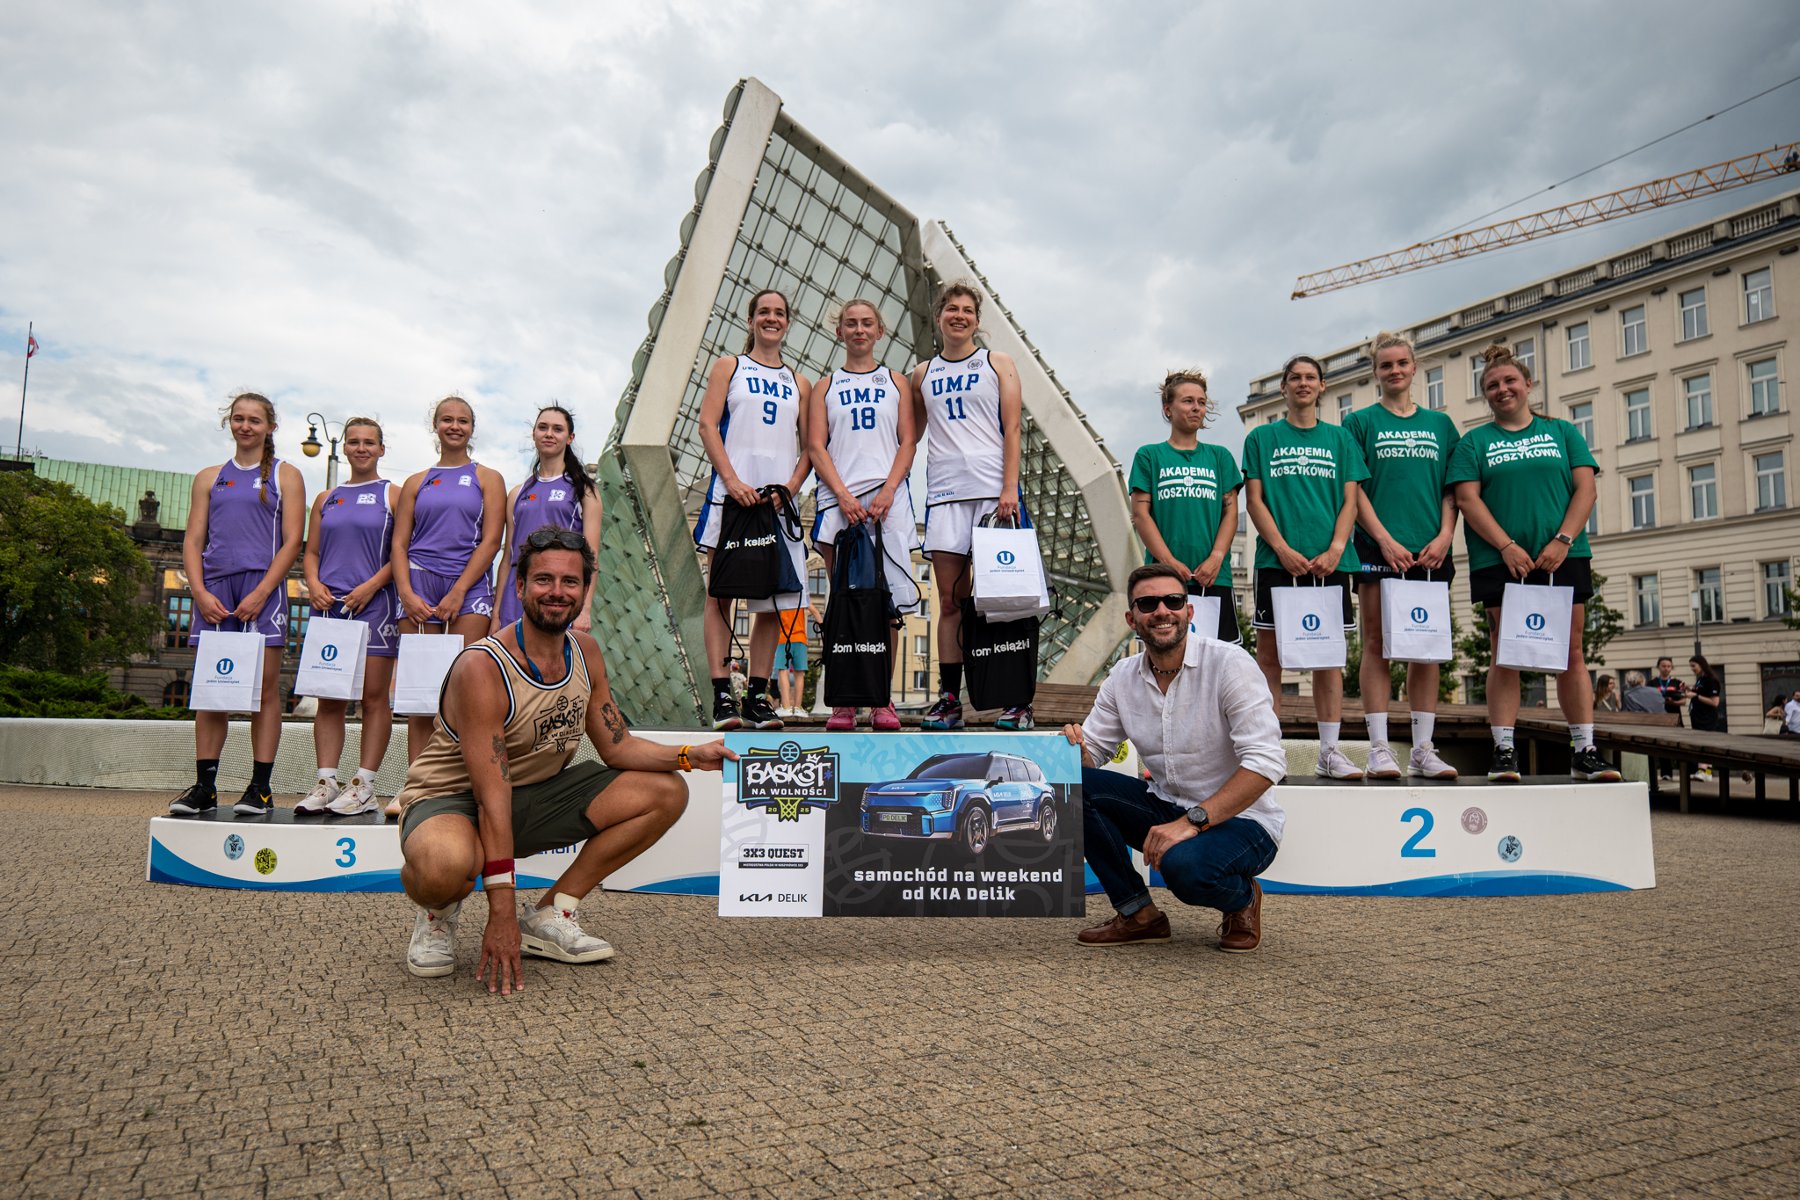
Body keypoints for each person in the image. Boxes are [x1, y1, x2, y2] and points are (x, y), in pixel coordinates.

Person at [397, 528, 734, 991]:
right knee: (443, 868)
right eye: (544, 580)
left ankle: (553, 911)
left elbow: (617, 746)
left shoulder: (586, 651)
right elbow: (490, 796)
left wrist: (688, 755)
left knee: (665, 791)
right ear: (519, 587)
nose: (557, 592)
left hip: (530, 795)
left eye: (570, 582)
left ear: (583, 590)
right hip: (451, 801)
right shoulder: (482, 666)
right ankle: (438, 912)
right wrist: (500, 915)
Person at [1062, 565, 1287, 951]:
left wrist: (1191, 823)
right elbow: (1093, 755)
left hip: (1245, 822)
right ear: (1132, 619)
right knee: (1075, 788)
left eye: (1173, 600)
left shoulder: (1230, 664)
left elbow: (1266, 764)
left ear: (1189, 611)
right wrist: (1076, 750)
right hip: (1167, 806)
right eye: (1148, 603)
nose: (1162, 610)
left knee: (1185, 869)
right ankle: (1138, 915)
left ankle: (1243, 898)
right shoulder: (1122, 677)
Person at [1447, 344, 1621, 783]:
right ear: (1484, 395)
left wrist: (1563, 540)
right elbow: (1467, 499)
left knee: (1571, 653)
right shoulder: (1474, 443)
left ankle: (1584, 750)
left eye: (1509, 381)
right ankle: (1504, 751)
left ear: (1527, 384)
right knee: (1506, 653)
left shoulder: (1563, 432)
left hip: (1564, 556)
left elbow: (1586, 491)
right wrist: (1505, 545)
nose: (1501, 389)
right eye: (1492, 385)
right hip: (1500, 561)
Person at [169, 393, 306, 817]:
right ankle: (205, 787)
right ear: (229, 423)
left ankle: (259, 789)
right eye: (238, 419)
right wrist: (199, 591)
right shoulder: (210, 476)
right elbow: (193, 540)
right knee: (211, 691)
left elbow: (291, 542)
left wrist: (263, 592)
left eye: (255, 420)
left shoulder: (287, 475)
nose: (245, 426)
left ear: (270, 427)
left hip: (261, 590)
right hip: (216, 592)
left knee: (265, 693)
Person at [1241, 354, 1369, 779]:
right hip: (1277, 562)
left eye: (1310, 377)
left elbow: (1351, 500)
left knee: (1328, 658)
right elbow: (1254, 500)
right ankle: (1268, 753)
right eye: (1294, 377)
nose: (1302, 383)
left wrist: (1336, 548)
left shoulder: (1341, 439)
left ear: (1322, 386)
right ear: (1284, 388)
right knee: (1270, 658)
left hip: (1330, 563)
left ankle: (1330, 751)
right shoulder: (1261, 438)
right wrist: (1280, 548)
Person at [910, 282, 1031, 731]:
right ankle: (948, 700)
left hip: (993, 496)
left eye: (967, 310)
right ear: (939, 317)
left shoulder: (997, 363)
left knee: (1006, 601)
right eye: (951, 309)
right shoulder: (921, 374)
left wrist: (1009, 490)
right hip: (944, 497)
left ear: (977, 320)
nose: (959, 316)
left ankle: (1016, 701)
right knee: (950, 602)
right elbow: (910, 435)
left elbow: (1013, 428)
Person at [1344, 333, 1461, 780]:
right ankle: (1378, 748)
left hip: (1430, 550)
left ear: (1415, 368)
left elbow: (1453, 490)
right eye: (1385, 365)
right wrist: (1384, 539)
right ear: (1375, 373)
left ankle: (1423, 749)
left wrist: (1446, 534)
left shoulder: (1441, 426)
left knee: (1425, 650)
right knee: (1376, 644)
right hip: (1379, 549)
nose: (1394, 371)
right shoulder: (1360, 423)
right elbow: (1354, 489)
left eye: (1401, 364)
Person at [695, 288, 812, 732]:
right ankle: (723, 694)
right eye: (763, 311)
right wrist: (732, 480)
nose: (771, 318)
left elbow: (812, 446)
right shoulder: (730, 366)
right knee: (720, 593)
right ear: (751, 320)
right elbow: (707, 425)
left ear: (787, 322)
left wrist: (791, 487)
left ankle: (758, 696)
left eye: (779, 313)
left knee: (772, 602)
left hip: (776, 504)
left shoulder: (798, 382)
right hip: (732, 498)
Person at [807, 297, 922, 731]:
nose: (859, 330)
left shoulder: (896, 381)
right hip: (841, 503)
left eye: (867, 323)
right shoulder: (825, 385)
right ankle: (843, 701)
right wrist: (843, 497)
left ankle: (881, 699)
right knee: (844, 605)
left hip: (886, 502)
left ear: (879, 332)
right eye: (851, 324)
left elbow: (908, 441)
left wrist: (889, 490)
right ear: (840, 332)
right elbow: (817, 445)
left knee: (886, 605)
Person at [392, 396, 507, 771]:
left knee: (466, 688)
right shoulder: (416, 481)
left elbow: (492, 541)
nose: (454, 426)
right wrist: (406, 593)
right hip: (420, 583)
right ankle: (416, 782)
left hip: (468, 586)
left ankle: (459, 778)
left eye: (462, 421)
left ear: (472, 428)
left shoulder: (487, 478)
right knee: (419, 693)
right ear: (436, 426)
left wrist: (459, 590)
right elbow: (399, 543)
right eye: (446, 420)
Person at [296, 417, 399, 816]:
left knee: (374, 699)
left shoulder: (394, 494)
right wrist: (312, 583)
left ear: (381, 449)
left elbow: (402, 552)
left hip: (374, 605)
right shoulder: (327, 498)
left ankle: (365, 784)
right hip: (330, 607)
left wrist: (372, 586)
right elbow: (312, 553)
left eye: (368, 443)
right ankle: (326, 781)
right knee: (330, 699)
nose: (360, 448)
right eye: (354, 442)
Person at [1128, 368, 1243, 645]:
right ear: (1168, 409)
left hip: (1214, 578)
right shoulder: (1149, 456)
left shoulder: (1220, 456)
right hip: (1162, 579)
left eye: (1201, 402)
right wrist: (1168, 562)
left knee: (1217, 659)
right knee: (1163, 655)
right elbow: (1140, 514)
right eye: (1188, 401)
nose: (1197, 408)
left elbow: (1231, 512)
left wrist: (1216, 557)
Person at [492, 405, 602, 634]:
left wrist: (585, 610)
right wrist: (497, 612)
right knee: (512, 666)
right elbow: (507, 558)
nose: (549, 434)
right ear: (534, 434)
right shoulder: (517, 493)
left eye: (557, 429)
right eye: (543, 428)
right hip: (517, 596)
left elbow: (592, 557)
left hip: (557, 594)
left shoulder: (584, 490)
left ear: (570, 437)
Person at [774, 600, 820, 719]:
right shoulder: (800, 595)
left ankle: (786, 707)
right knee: (800, 673)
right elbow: (814, 611)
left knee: (783, 671)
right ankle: (798, 708)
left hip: (783, 638)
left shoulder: (780, 595)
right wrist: (823, 626)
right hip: (800, 638)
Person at [1686, 656, 1723, 732]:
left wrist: (1696, 696)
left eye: (1693, 666)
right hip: (1697, 719)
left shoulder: (1711, 680)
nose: (1692, 669)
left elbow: (1714, 702)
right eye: (1690, 666)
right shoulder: (1700, 679)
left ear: (1701, 665)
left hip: (1706, 721)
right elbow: (1698, 693)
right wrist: (1687, 689)